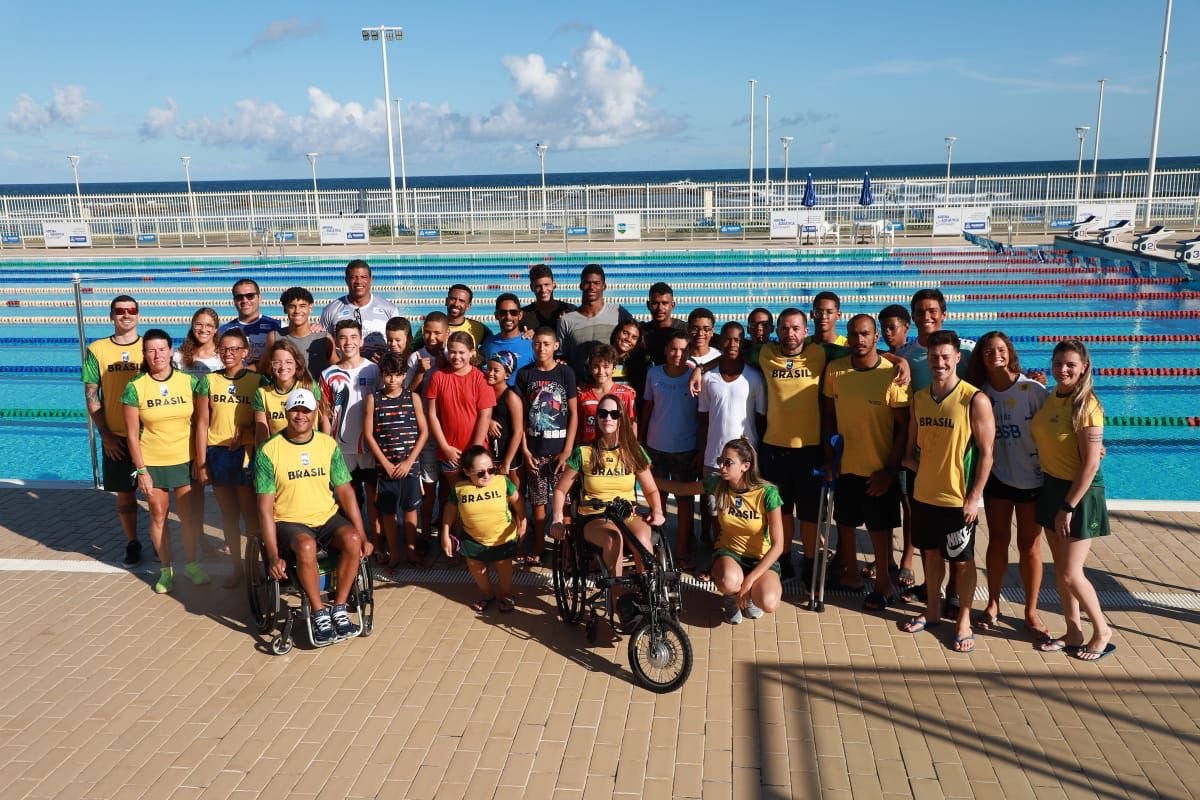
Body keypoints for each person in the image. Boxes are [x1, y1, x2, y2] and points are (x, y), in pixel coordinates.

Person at [901, 330, 994, 653]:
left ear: (957, 358)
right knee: (931, 555)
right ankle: (932, 611)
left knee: (963, 562)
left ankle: (964, 620)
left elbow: (986, 453)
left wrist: (973, 497)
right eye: (934, 357)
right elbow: (910, 451)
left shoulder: (974, 399)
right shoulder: (921, 398)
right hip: (924, 494)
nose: (939, 363)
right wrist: (924, 471)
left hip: (958, 500)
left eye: (945, 357)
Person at [255, 387, 371, 646]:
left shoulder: (327, 445)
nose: (300, 415)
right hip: (290, 521)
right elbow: (264, 508)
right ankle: (319, 613)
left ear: (315, 412)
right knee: (306, 546)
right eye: (295, 409)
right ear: (286, 412)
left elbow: (346, 492)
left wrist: (363, 535)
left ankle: (339, 608)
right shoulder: (268, 451)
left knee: (352, 540)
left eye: (306, 410)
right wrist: (273, 555)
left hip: (326, 517)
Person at [549, 394, 666, 628]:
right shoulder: (584, 453)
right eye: (602, 413)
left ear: (622, 418)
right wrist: (558, 519)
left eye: (614, 413)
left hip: (626, 513)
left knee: (644, 538)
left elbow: (652, 489)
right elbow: (561, 490)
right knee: (614, 539)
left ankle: (646, 595)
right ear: (596, 419)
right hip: (595, 516)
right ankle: (620, 598)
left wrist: (658, 510)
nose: (608, 418)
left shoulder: (633, 452)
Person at [1030, 339, 1114, 661]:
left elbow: (1091, 464)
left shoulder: (1087, 405)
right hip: (1052, 487)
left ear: (1083, 368)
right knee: (1061, 570)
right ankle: (1074, 631)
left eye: (1070, 365)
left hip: (1079, 493)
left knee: (1070, 572)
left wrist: (1068, 506)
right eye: (1058, 363)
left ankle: (1102, 630)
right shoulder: (1052, 397)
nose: (1063, 370)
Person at [965, 332, 1050, 641]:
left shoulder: (1033, 390)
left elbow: (1057, 424)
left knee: (1030, 546)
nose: (995, 355)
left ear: (1010, 353)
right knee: (998, 541)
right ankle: (992, 604)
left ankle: (1031, 611)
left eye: (1000, 349)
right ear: (981, 358)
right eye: (989, 351)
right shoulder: (981, 394)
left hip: (1033, 478)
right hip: (999, 478)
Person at [821, 314, 910, 607]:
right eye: (854, 335)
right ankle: (851, 575)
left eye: (865, 334)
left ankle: (883, 583)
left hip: (877, 469)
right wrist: (830, 458)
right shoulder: (835, 371)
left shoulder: (891, 374)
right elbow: (830, 418)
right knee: (845, 522)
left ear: (875, 338)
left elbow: (903, 427)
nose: (859, 340)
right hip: (845, 466)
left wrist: (889, 470)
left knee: (878, 529)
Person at [658, 439, 784, 624]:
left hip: (760, 557)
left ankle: (748, 594)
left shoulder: (767, 493)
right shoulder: (717, 483)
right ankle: (732, 596)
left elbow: (779, 546)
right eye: (720, 461)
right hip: (729, 553)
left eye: (728, 463)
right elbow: (680, 489)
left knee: (769, 602)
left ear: (745, 466)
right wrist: (643, 476)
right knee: (728, 581)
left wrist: (749, 581)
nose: (722, 467)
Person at [121, 329, 209, 594]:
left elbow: (200, 423)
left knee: (188, 517)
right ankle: (166, 570)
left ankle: (192, 563)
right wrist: (142, 470)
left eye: (161, 349)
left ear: (171, 351)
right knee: (159, 515)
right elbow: (132, 435)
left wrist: (199, 459)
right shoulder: (135, 387)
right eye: (150, 350)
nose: (156, 355)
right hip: (154, 462)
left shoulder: (189, 382)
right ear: (144, 354)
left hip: (185, 460)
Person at [754, 307, 828, 579]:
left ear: (806, 331)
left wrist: (898, 360)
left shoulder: (820, 353)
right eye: (784, 328)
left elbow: (860, 354)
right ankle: (783, 557)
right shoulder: (764, 354)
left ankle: (809, 560)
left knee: (808, 513)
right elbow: (730, 354)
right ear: (777, 330)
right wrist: (701, 368)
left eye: (796, 328)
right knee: (781, 509)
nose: (790, 334)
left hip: (809, 448)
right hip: (774, 448)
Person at [196, 328, 263, 588]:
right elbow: (202, 423)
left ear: (245, 352)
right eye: (224, 348)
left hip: (246, 454)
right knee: (228, 515)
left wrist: (246, 431)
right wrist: (202, 462)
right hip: (218, 453)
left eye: (235, 349)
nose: (229, 353)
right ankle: (237, 567)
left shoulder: (258, 381)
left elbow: (264, 419)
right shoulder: (209, 381)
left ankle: (257, 566)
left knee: (251, 515)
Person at [698, 321, 766, 574]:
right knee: (716, 513)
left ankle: (746, 559)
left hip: (745, 460)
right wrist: (700, 451)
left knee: (743, 513)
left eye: (737, 339)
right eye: (727, 339)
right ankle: (720, 559)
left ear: (743, 343)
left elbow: (761, 419)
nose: (732, 344)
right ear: (719, 341)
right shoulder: (709, 378)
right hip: (713, 456)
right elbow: (703, 419)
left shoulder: (754, 378)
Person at [82, 295, 143, 566]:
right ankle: (132, 542)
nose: (126, 315)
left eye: (131, 310)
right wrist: (105, 434)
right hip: (116, 436)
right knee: (125, 493)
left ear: (138, 315)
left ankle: (159, 539)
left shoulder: (151, 346)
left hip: (149, 435)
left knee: (156, 494)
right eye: (120, 311)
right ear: (111, 315)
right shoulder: (97, 349)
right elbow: (91, 395)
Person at [515, 327, 578, 564]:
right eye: (537, 344)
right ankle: (540, 546)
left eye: (546, 343)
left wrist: (567, 450)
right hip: (535, 450)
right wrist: (525, 448)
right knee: (538, 502)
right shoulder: (525, 374)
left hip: (561, 451)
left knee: (565, 503)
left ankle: (566, 549)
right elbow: (521, 415)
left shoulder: (565, 373)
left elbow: (573, 413)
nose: (541, 348)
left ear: (556, 346)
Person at [641, 331, 702, 571]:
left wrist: (700, 447)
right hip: (656, 446)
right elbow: (648, 407)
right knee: (657, 498)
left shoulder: (695, 376)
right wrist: (642, 441)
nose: (678, 354)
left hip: (685, 449)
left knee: (685, 501)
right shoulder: (654, 373)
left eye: (684, 350)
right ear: (666, 351)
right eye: (674, 349)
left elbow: (702, 414)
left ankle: (682, 549)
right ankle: (659, 545)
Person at [440, 445, 526, 613]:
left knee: (504, 567)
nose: (487, 476)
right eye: (480, 473)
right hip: (473, 539)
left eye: (491, 470)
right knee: (477, 568)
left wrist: (523, 522)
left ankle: (505, 595)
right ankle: (487, 595)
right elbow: (449, 511)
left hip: (503, 537)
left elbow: (518, 501)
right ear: (466, 471)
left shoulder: (503, 481)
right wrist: (445, 534)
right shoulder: (459, 489)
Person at [319, 320, 381, 550]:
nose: (349, 342)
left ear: (361, 340)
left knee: (375, 497)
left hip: (369, 446)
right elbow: (324, 413)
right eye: (343, 337)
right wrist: (327, 446)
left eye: (353, 337)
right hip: (342, 447)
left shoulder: (373, 370)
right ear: (336, 343)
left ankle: (376, 541)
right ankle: (354, 542)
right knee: (348, 498)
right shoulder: (328, 374)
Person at [363, 351, 428, 571]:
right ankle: (394, 554)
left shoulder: (413, 398)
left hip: (410, 467)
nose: (392, 380)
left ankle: (410, 550)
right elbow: (369, 435)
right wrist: (385, 463)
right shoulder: (374, 399)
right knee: (388, 513)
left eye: (397, 375)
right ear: (381, 375)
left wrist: (410, 461)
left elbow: (424, 432)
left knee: (411, 510)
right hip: (386, 468)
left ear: (404, 375)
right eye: (388, 375)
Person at [425, 331, 495, 483]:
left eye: (461, 352)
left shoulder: (481, 378)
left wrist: (474, 452)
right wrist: (444, 447)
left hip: (477, 452)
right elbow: (432, 415)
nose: (456, 357)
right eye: (452, 352)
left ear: (472, 353)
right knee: (456, 496)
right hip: (450, 452)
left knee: (477, 498)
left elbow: (485, 416)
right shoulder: (438, 377)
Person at [879, 303, 915, 589]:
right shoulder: (887, 358)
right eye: (884, 328)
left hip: (910, 440)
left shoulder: (914, 357)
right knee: (888, 501)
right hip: (885, 440)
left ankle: (907, 560)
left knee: (907, 501)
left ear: (907, 327)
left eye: (893, 327)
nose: (887, 333)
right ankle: (887, 558)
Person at [406, 312, 449, 545]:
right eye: (428, 332)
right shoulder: (416, 357)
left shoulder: (452, 356)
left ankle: (444, 528)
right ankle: (424, 533)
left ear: (446, 334)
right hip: (427, 432)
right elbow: (407, 393)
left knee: (447, 487)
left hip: (449, 429)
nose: (432, 337)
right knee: (429, 486)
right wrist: (421, 373)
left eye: (437, 333)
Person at [557, 264, 633, 378]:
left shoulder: (619, 313)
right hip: (580, 387)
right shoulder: (566, 320)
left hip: (610, 385)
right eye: (587, 282)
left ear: (604, 286)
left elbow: (634, 342)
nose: (591, 287)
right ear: (581, 285)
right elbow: (562, 357)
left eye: (596, 283)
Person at [320, 260, 399, 360]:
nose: (358, 281)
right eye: (353, 277)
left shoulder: (389, 309)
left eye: (363, 277)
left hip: (380, 372)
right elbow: (324, 347)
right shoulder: (331, 310)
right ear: (346, 280)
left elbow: (399, 344)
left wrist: (385, 361)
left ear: (371, 280)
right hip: (344, 372)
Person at [254, 340, 318, 444]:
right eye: (277, 362)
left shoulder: (308, 387)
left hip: (306, 451)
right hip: (277, 452)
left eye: (288, 362)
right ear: (271, 364)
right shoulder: (262, 393)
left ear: (297, 364)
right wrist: (261, 456)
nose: (283, 367)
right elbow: (262, 433)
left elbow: (316, 423)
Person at [576, 344, 637, 444]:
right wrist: (577, 447)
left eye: (606, 367)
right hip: (589, 451)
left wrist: (632, 448)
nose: (601, 371)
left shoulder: (626, 394)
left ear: (614, 368)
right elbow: (578, 425)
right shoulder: (582, 394)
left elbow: (632, 423)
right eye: (596, 366)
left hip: (616, 451)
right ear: (590, 368)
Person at [217, 279, 282, 369]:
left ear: (259, 298)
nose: (245, 300)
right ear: (234, 301)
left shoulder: (278, 326)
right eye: (239, 297)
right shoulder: (223, 331)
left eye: (250, 296)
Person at [484, 352, 525, 493]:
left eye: (496, 370)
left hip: (509, 454)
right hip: (491, 453)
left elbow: (518, 431)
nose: (490, 373)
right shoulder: (484, 391)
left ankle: (520, 516)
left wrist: (507, 461)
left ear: (507, 374)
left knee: (513, 494)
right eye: (488, 368)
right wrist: (488, 421)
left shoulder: (511, 397)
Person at [279, 286, 334, 377]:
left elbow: (338, 368)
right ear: (285, 309)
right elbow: (265, 369)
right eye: (292, 306)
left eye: (302, 306)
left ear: (310, 308)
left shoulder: (324, 338)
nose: (297, 311)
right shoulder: (275, 337)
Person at [480, 293, 534, 385]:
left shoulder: (531, 344)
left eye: (513, 313)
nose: (508, 317)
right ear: (496, 315)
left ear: (520, 315)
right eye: (503, 313)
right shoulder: (488, 344)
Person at [641, 281, 687, 366]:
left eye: (664, 303)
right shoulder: (641, 331)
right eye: (655, 303)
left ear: (672, 305)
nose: (660, 308)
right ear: (648, 305)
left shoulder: (685, 330)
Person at [521, 264, 575, 333]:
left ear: (554, 284)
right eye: (538, 286)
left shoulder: (570, 310)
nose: (543, 290)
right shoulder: (524, 316)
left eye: (546, 284)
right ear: (531, 287)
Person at [610, 320, 651, 402]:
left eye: (634, 337)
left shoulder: (640, 363)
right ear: (616, 333)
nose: (628, 339)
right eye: (625, 333)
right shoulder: (601, 358)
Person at [173, 307, 222, 375]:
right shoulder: (179, 357)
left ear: (215, 329)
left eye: (209, 325)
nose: (203, 330)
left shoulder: (222, 357)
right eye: (199, 324)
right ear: (192, 327)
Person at [443, 284, 490, 349]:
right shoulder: (433, 327)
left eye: (461, 301)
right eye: (453, 299)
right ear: (446, 301)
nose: (456, 304)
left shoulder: (478, 328)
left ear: (468, 306)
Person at [806, 291, 847, 356]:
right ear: (811, 314)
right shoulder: (803, 345)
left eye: (829, 312)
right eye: (818, 312)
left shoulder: (847, 346)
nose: (823, 316)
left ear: (838, 315)